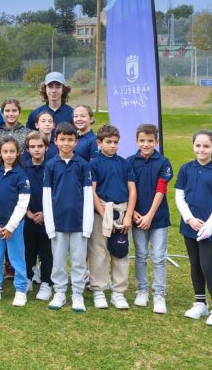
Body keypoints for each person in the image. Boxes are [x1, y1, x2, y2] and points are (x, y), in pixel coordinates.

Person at [174, 130, 212, 328]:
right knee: (195, 264)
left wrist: (210, 225)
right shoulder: (185, 169)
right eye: (198, 145)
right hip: (190, 225)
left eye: (206, 146)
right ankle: (200, 302)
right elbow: (179, 197)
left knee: (207, 265)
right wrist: (189, 219)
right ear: (193, 146)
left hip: (209, 228)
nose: (201, 149)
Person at [42, 122, 94, 312]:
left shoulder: (83, 165)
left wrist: (87, 225)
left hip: (79, 223)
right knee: (58, 260)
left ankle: (78, 294)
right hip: (58, 224)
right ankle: (60, 292)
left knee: (79, 261)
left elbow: (88, 196)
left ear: (76, 141)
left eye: (70, 140)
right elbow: (47, 196)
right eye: (62, 139)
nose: (66, 143)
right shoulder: (51, 165)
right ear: (55, 141)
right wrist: (50, 225)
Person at [88, 124, 136, 311]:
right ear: (99, 143)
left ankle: (118, 291)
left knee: (120, 250)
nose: (113, 146)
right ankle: (99, 288)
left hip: (122, 211)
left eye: (116, 142)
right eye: (108, 142)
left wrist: (128, 216)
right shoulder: (94, 164)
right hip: (102, 211)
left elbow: (132, 190)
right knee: (99, 251)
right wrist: (103, 213)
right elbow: (92, 191)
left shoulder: (124, 163)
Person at [128, 123, 173, 314]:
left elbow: (161, 189)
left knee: (159, 257)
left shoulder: (163, 162)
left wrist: (150, 215)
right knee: (140, 255)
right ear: (136, 141)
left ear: (157, 141)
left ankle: (159, 294)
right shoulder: (130, 162)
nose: (146, 144)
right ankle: (142, 290)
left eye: (150, 141)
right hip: (138, 218)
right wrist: (135, 213)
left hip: (158, 218)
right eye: (142, 141)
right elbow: (129, 189)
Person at [0, 138, 31, 307]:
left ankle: (20, 290)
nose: (8, 155)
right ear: (0, 153)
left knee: (16, 258)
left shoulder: (21, 175)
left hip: (14, 226)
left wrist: (10, 226)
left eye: (12, 151)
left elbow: (22, 204)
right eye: (5, 152)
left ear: (17, 153)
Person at [23, 132, 53, 300]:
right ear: (27, 149)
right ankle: (27, 278)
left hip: (47, 219)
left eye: (40, 146)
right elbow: (19, 192)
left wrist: (45, 213)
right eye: (32, 147)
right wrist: (27, 212)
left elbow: (56, 193)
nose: (36, 150)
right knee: (28, 251)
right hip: (28, 217)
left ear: (46, 147)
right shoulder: (23, 168)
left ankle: (46, 283)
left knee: (47, 252)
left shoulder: (51, 167)